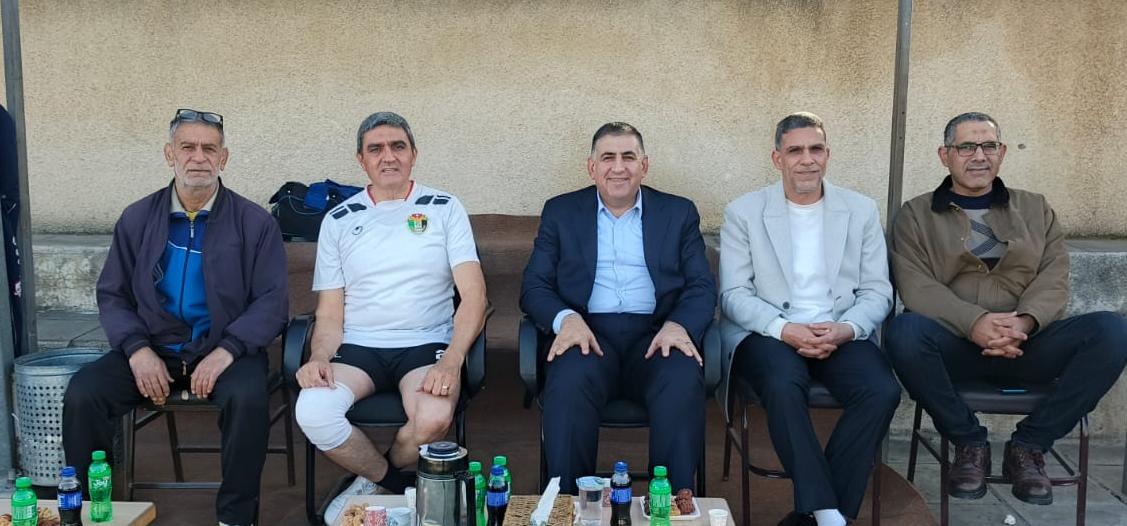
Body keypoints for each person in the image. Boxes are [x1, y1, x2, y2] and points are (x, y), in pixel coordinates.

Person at [886, 112, 1127, 505]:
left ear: (1001, 152)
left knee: (1113, 331)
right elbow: (916, 286)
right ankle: (969, 443)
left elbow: (1054, 275)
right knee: (904, 332)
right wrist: (974, 323)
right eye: (967, 146)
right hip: (955, 348)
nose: (979, 156)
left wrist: (1025, 323)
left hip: (1029, 345)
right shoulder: (916, 215)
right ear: (945, 155)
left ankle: (1029, 446)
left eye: (989, 146)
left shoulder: (1035, 208)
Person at [63, 109, 289, 526]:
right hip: (154, 348)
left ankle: (236, 518)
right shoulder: (137, 218)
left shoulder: (254, 222)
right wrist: (136, 350)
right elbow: (112, 293)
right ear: (170, 154)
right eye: (188, 147)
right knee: (84, 392)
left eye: (209, 149)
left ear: (223, 158)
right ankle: (87, 513)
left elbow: (272, 302)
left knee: (247, 398)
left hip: (224, 350)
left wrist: (227, 350)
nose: (198, 157)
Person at [293, 112, 487, 524]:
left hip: (426, 344)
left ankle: (368, 485)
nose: (388, 156)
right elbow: (329, 312)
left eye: (398, 146)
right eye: (376, 149)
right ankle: (389, 481)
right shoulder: (339, 219)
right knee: (312, 410)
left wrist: (452, 360)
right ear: (361, 160)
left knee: (434, 417)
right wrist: (319, 357)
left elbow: (474, 296)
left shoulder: (445, 208)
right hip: (358, 346)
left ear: (413, 154)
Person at [719, 112, 900, 526]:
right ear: (777, 158)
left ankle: (814, 514)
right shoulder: (744, 212)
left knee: (881, 390)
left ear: (827, 155)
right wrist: (785, 329)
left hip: (839, 329)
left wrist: (847, 328)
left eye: (815, 149)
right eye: (795, 150)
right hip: (770, 332)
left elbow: (878, 290)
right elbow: (733, 295)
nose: (807, 159)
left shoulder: (860, 210)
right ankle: (829, 515)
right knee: (783, 385)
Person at [520, 122, 716, 494]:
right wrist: (566, 319)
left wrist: (679, 325)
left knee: (681, 376)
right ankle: (570, 504)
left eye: (628, 157)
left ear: (644, 165)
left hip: (656, 335)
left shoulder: (678, 213)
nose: (618, 167)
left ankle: (672, 505)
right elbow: (534, 286)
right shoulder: (561, 212)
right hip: (588, 335)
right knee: (569, 377)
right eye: (608, 157)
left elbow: (702, 286)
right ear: (591, 167)